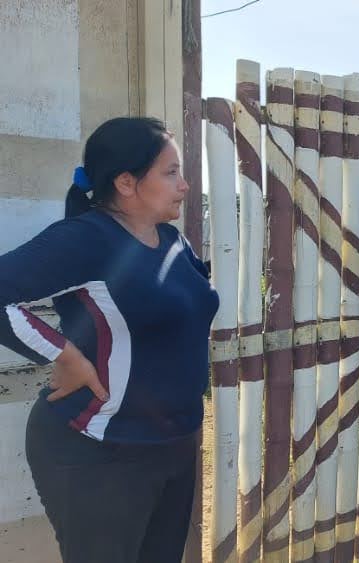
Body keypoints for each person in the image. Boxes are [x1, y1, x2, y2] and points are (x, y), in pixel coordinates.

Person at [0, 117, 218, 563]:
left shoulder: (173, 241)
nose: (185, 185)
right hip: (100, 449)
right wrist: (63, 353)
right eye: (171, 172)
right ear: (126, 182)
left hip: (172, 444)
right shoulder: (87, 238)